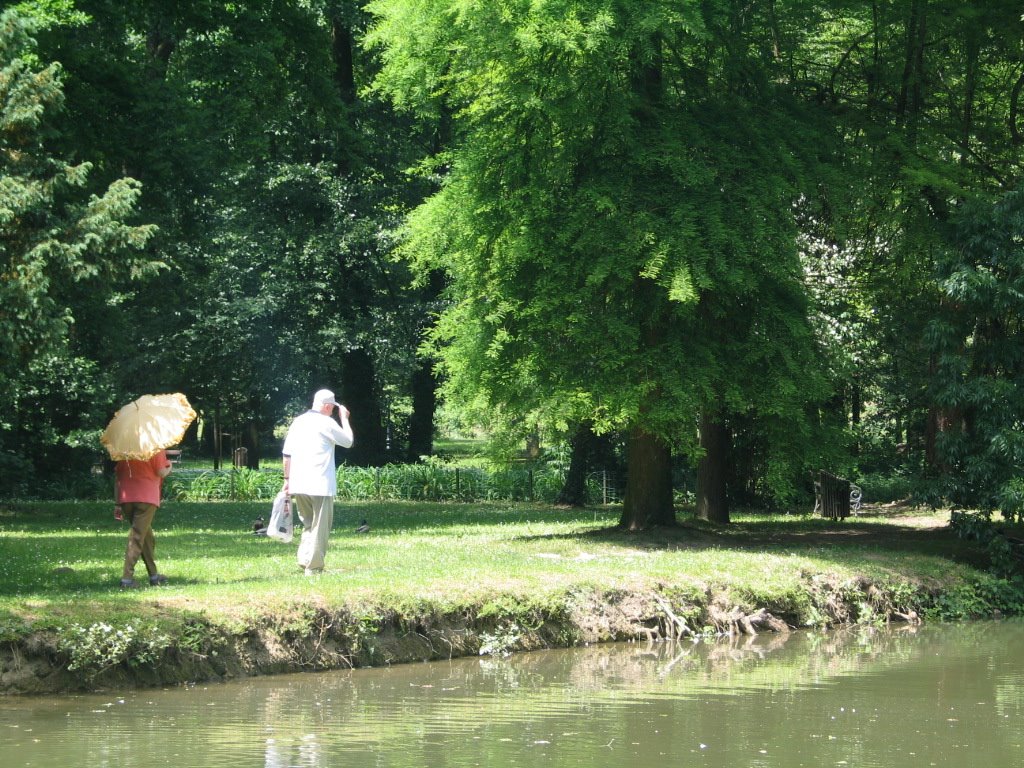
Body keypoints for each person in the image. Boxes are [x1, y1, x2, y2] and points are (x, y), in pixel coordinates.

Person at [282, 389, 354, 575]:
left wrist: (287, 480)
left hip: (299, 482)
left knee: (308, 523)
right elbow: (348, 441)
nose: (332, 412)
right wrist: (344, 419)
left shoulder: (298, 421)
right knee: (320, 527)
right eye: (332, 408)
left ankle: (304, 559)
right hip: (320, 483)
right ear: (328, 406)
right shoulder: (327, 422)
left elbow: (286, 455)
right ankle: (313, 568)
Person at [114, 449, 173, 588]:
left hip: (126, 498)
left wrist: (117, 503)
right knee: (137, 537)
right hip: (146, 498)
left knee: (147, 537)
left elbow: (118, 477)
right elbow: (161, 472)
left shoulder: (126, 449)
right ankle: (126, 579)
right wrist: (170, 465)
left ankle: (154, 576)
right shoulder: (155, 448)